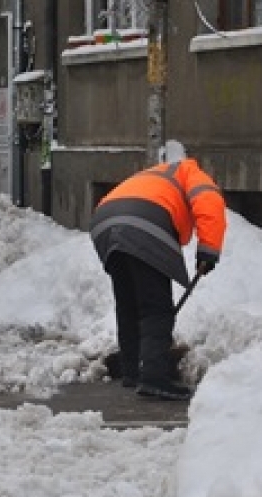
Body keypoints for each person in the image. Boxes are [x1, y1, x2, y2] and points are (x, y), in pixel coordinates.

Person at [89, 157, 227, 400]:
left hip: (104, 224)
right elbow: (210, 202)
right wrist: (208, 251)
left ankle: (132, 372)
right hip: (145, 224)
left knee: (129, 304)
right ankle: (154, 378)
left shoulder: (154, 176)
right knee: (156, 309)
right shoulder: (190, 172)